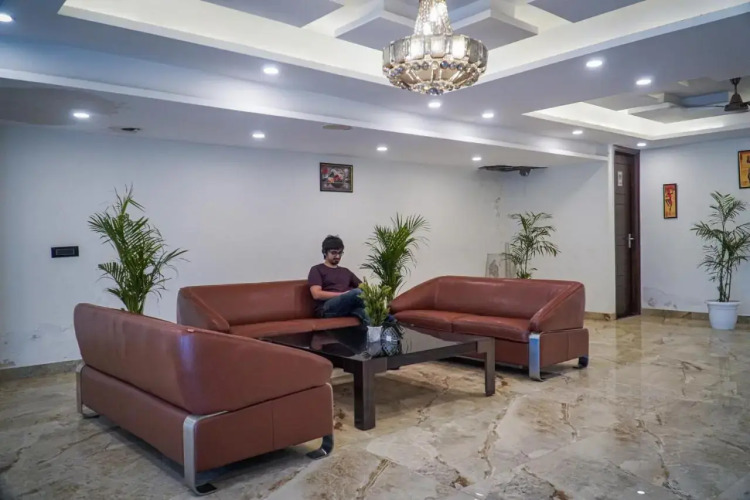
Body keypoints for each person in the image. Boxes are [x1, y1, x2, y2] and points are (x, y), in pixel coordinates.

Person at [308, 235, 369, 325]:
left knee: (368, 312)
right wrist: (344, 295)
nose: (337, 256)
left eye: (340, 253)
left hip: (346, 307)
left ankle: (387, 328)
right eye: (334, 253)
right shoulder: (316, 269)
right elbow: (316, 294)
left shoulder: (346, 271)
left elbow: (365, 288)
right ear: (325, 252)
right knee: (357, 293)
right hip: (327, 308)